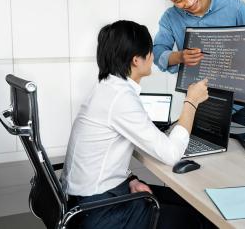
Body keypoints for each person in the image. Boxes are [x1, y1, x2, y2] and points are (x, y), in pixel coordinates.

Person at [61, 20, 214, 229]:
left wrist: (131, 179)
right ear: (136, 60)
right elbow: (170, 154)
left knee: (187, 201)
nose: (152, 57)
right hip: (100, 212)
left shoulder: (108, 89)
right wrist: (191, 101)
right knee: (201, 217)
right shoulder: (120, 98)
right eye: (150, 52)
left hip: (89, 199)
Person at [153, 0, 245, 124]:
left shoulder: (236, 8)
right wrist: (180, 57)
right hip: (195, 106)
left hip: (235, 105)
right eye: (179, 1)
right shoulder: (170, 18)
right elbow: (157, 53)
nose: (189, 2)